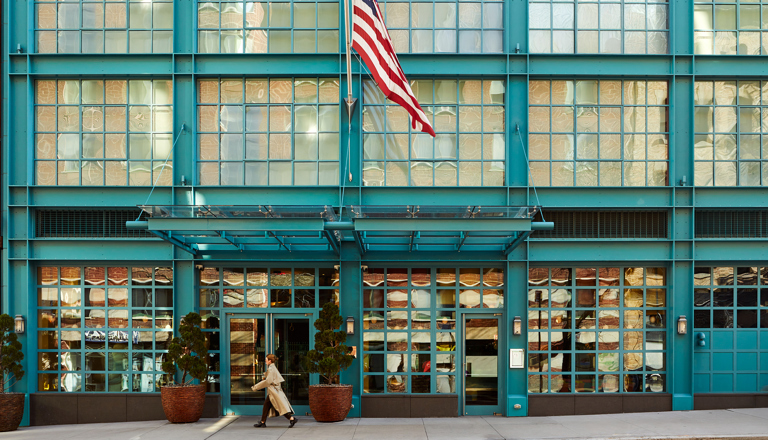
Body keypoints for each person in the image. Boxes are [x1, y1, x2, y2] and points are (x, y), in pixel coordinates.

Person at [252, 354, 297, 428]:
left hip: (274, 391)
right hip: (273, 390)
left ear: (270, 361)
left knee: (280, 406)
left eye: (266, 359)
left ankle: (292, 419)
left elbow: (268, 381)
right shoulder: (272, 367)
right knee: (267, 406)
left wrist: (256, 387)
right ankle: (263, 422)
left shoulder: (271, 369)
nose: (265, 361)